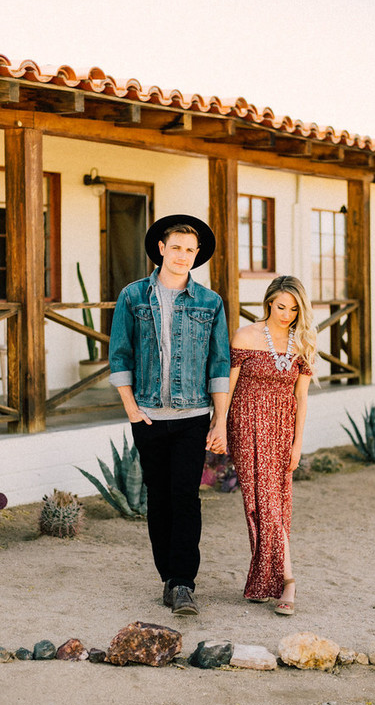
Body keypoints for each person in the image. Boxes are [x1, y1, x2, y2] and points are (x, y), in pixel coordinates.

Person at [109, 214, 230, 616]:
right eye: (175, 247)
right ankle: (168, 577)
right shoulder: (132, 296)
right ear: (161, 248)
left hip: (193, 415)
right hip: (147, 416)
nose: (182, 255)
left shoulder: (210, 302)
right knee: (158, 498)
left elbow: (219, 364)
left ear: (197, 256)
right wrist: (131, 408)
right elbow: (120, 353)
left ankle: (183, 583)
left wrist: (221, 420)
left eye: (189, 250)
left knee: (186, 497)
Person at [227, 275, 316, 616]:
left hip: (282, 429)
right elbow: (229, 388)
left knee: (275, 503)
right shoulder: (245, 336)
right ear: (268, 303)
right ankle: (279, 580)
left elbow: (302, 398)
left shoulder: (302, 342)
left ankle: (276, 580)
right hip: (247, 424)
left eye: (294, 309)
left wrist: (298, 444)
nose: (286, 314)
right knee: (258, 502)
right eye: (281, 306)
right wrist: (219, 424)